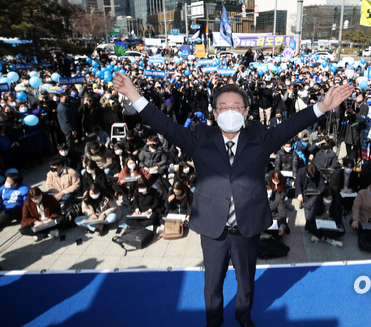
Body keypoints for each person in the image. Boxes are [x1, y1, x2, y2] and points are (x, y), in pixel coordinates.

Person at [113, 71, 352, 327]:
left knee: (246, 284)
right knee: (212, 286)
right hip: (213, 229)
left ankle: (243, 317)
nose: (230, 111)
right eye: (223, 107)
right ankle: (214, 322)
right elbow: (164, 125)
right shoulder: (199, 137)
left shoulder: (260, 137)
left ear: (246, 113)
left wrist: (322, 107)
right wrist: (133, 95)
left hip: (247, 228)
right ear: (214, 114)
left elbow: (291, 125)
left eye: (236, 106)